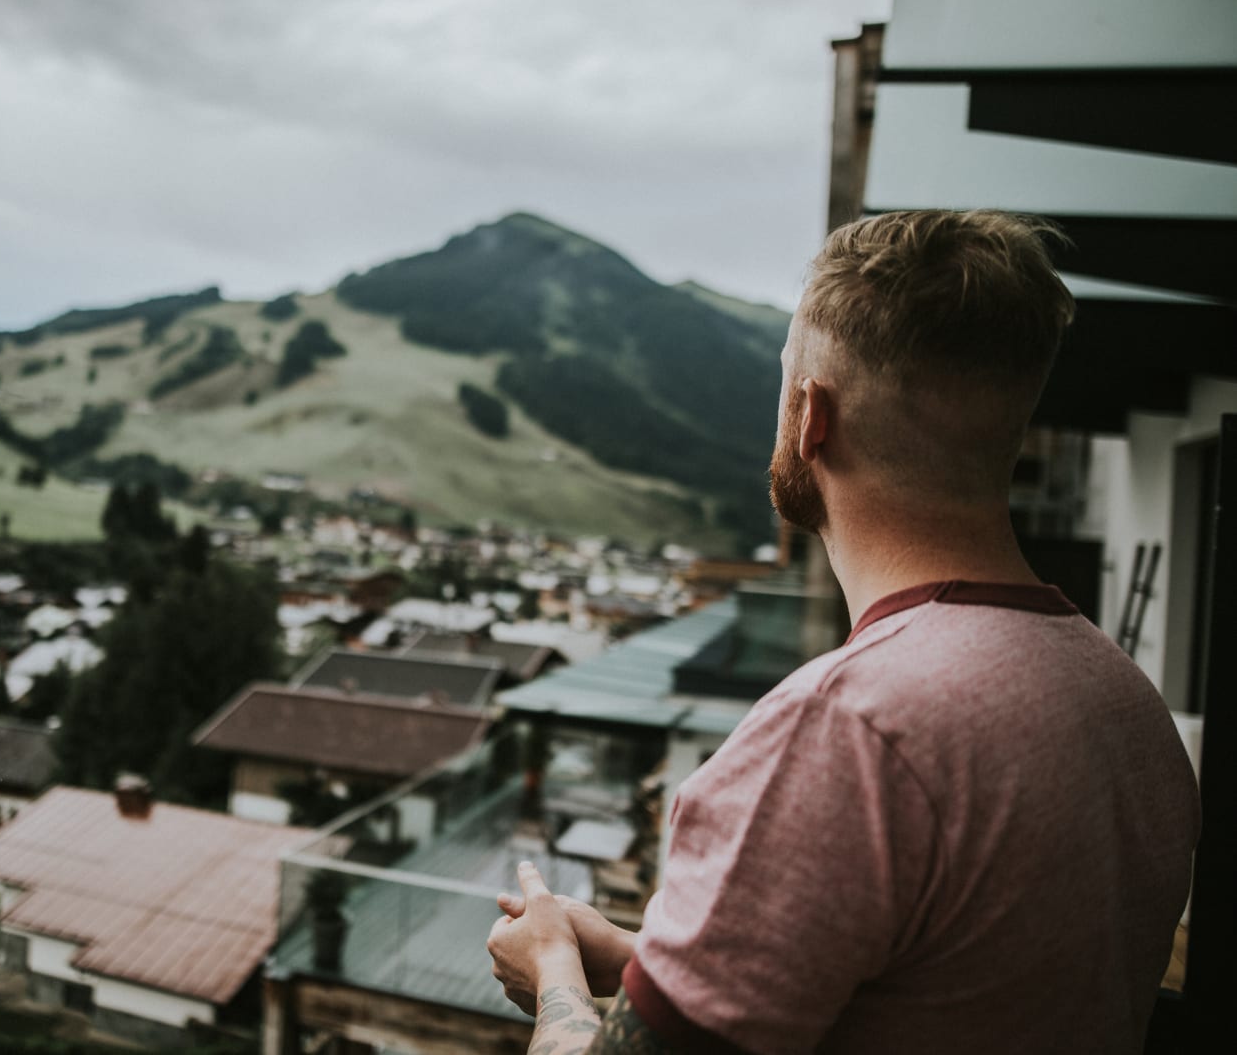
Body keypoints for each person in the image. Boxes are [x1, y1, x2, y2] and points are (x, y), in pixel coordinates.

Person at [487, 210, 1201, 1054]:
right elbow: (957, 986)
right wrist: (646, 965)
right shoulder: (1127, 702)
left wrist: (554, 972)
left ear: (810, 416)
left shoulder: (846, 729)